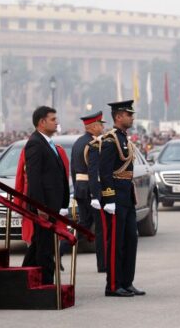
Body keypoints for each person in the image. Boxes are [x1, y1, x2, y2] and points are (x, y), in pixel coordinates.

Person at [99, 100, 145, 297]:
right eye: (129, 114)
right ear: (118, 117)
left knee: (130, 240)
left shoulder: (124, 139)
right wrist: (109, 199)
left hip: (127, 195)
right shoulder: (110, 141)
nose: (132, 117)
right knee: (116, 242)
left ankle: (127, 281)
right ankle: (113, 285)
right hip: (116, 197)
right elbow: (105, 172)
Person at [21, 106, 70, 285]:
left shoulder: (47, 142)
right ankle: (47, 285)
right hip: (43, 207)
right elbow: (34, 179)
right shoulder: (35, 143)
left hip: (52, 205)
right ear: (42, 122)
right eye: (53, 119)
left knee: (38, 245)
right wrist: (41, 207)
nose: (56, 122)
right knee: (45, 248)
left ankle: (22, 279)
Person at [62, 111, 106, 272]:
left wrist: (77, 188)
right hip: (91, 190)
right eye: (100, 125)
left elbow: (73, 170)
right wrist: (96, 195)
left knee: (84, 226)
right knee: (101, 229)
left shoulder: (78, 143)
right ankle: (103, 264)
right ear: (93, 127)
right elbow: (94, 173)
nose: (102, 128)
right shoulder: (93, 145)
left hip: (80, 188)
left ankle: (60, 250)